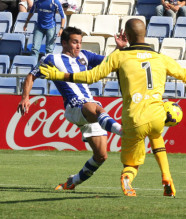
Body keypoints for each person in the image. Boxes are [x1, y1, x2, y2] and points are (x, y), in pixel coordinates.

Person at [38, 19, 186, 197]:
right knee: (156, 140)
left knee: (129, 163)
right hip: (158, 115)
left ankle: (125, 175)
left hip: (133, 119)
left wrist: (59, 76)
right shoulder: (161, 58)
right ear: (146, 34)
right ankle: (167, 178)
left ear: (126, 35)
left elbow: (91, 77)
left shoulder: (120, 57)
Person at [17, 26, 124, 190]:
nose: (79, 46)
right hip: (74, 106)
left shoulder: (85, 56)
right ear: (64, 43)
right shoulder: (51, 59)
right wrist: (25, 97)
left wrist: (119, 48)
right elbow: (31, 75)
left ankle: (72, 182)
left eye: (80, 42)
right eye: (75, 42)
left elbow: (109, 62)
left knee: (101, 156)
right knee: (95, 108)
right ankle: (122, 131)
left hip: (89, 109)